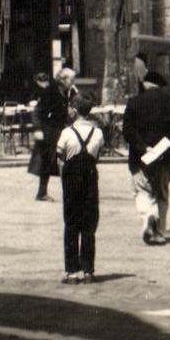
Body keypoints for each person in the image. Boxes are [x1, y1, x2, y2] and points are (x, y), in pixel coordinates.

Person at [122, 69, 170, 245]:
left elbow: (127, 131)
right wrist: (159, 149)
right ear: (160, 86)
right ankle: (160, 231)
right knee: (162, 193)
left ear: (146, 84)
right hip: (164, 157)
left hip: (140, 157)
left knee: (142, 191)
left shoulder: (133, 103)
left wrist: (144, 148)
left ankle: (149, 217)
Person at [56, 95, 104, 282]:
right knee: (89, 224)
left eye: (70, 107)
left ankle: (72, 271)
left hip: (71, 180)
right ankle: (88, 271)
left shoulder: (66, 133)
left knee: (71, 223)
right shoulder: (98, 133)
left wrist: (64, 180)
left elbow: (60, 158)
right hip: (90, 178)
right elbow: (97, 156)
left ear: (75, 110)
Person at [31, 70, 66, 201]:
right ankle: (42, 192)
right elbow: (37, 111)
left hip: (62, 130)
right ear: (63, 80)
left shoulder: (68, 91)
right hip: (50, 131)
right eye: (71, 79)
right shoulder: (50, 91)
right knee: (47, 162)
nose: (73, 82)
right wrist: (38, 129)